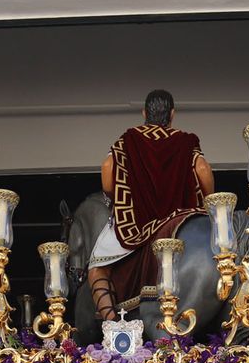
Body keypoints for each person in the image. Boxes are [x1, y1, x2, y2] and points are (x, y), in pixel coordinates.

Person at [85, 89, 216, 320]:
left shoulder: (129, 139)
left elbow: (107, 168)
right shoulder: (186, 141)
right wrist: (209, 206)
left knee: (97, 266)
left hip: (136, 221)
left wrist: (112, 194)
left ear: (144, 113)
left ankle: (112, 323)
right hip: (180, 215)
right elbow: (203, 169)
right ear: (172, 115)